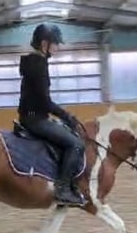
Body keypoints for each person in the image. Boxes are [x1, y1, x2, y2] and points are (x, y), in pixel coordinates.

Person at [17, 23, 86, 207]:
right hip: (35, 119)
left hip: (33, 115)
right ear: (44, 43)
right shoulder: (38, 65)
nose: (58, 48)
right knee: (77, 144)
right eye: (55, 44)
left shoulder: (34, 62)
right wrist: (67, 116)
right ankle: (62, 189)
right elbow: (45, 102)